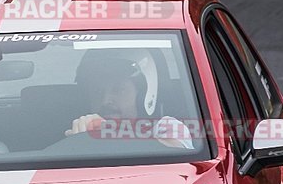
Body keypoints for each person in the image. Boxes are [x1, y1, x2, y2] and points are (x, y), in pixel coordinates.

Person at [66, 50, 195, 150]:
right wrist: (79, 141)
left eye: (118, 91)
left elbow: (177, 153)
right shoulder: (80, 128)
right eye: (97, 92)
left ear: (143, 95)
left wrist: (110, 134)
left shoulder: (166, 127)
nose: (105, 101)